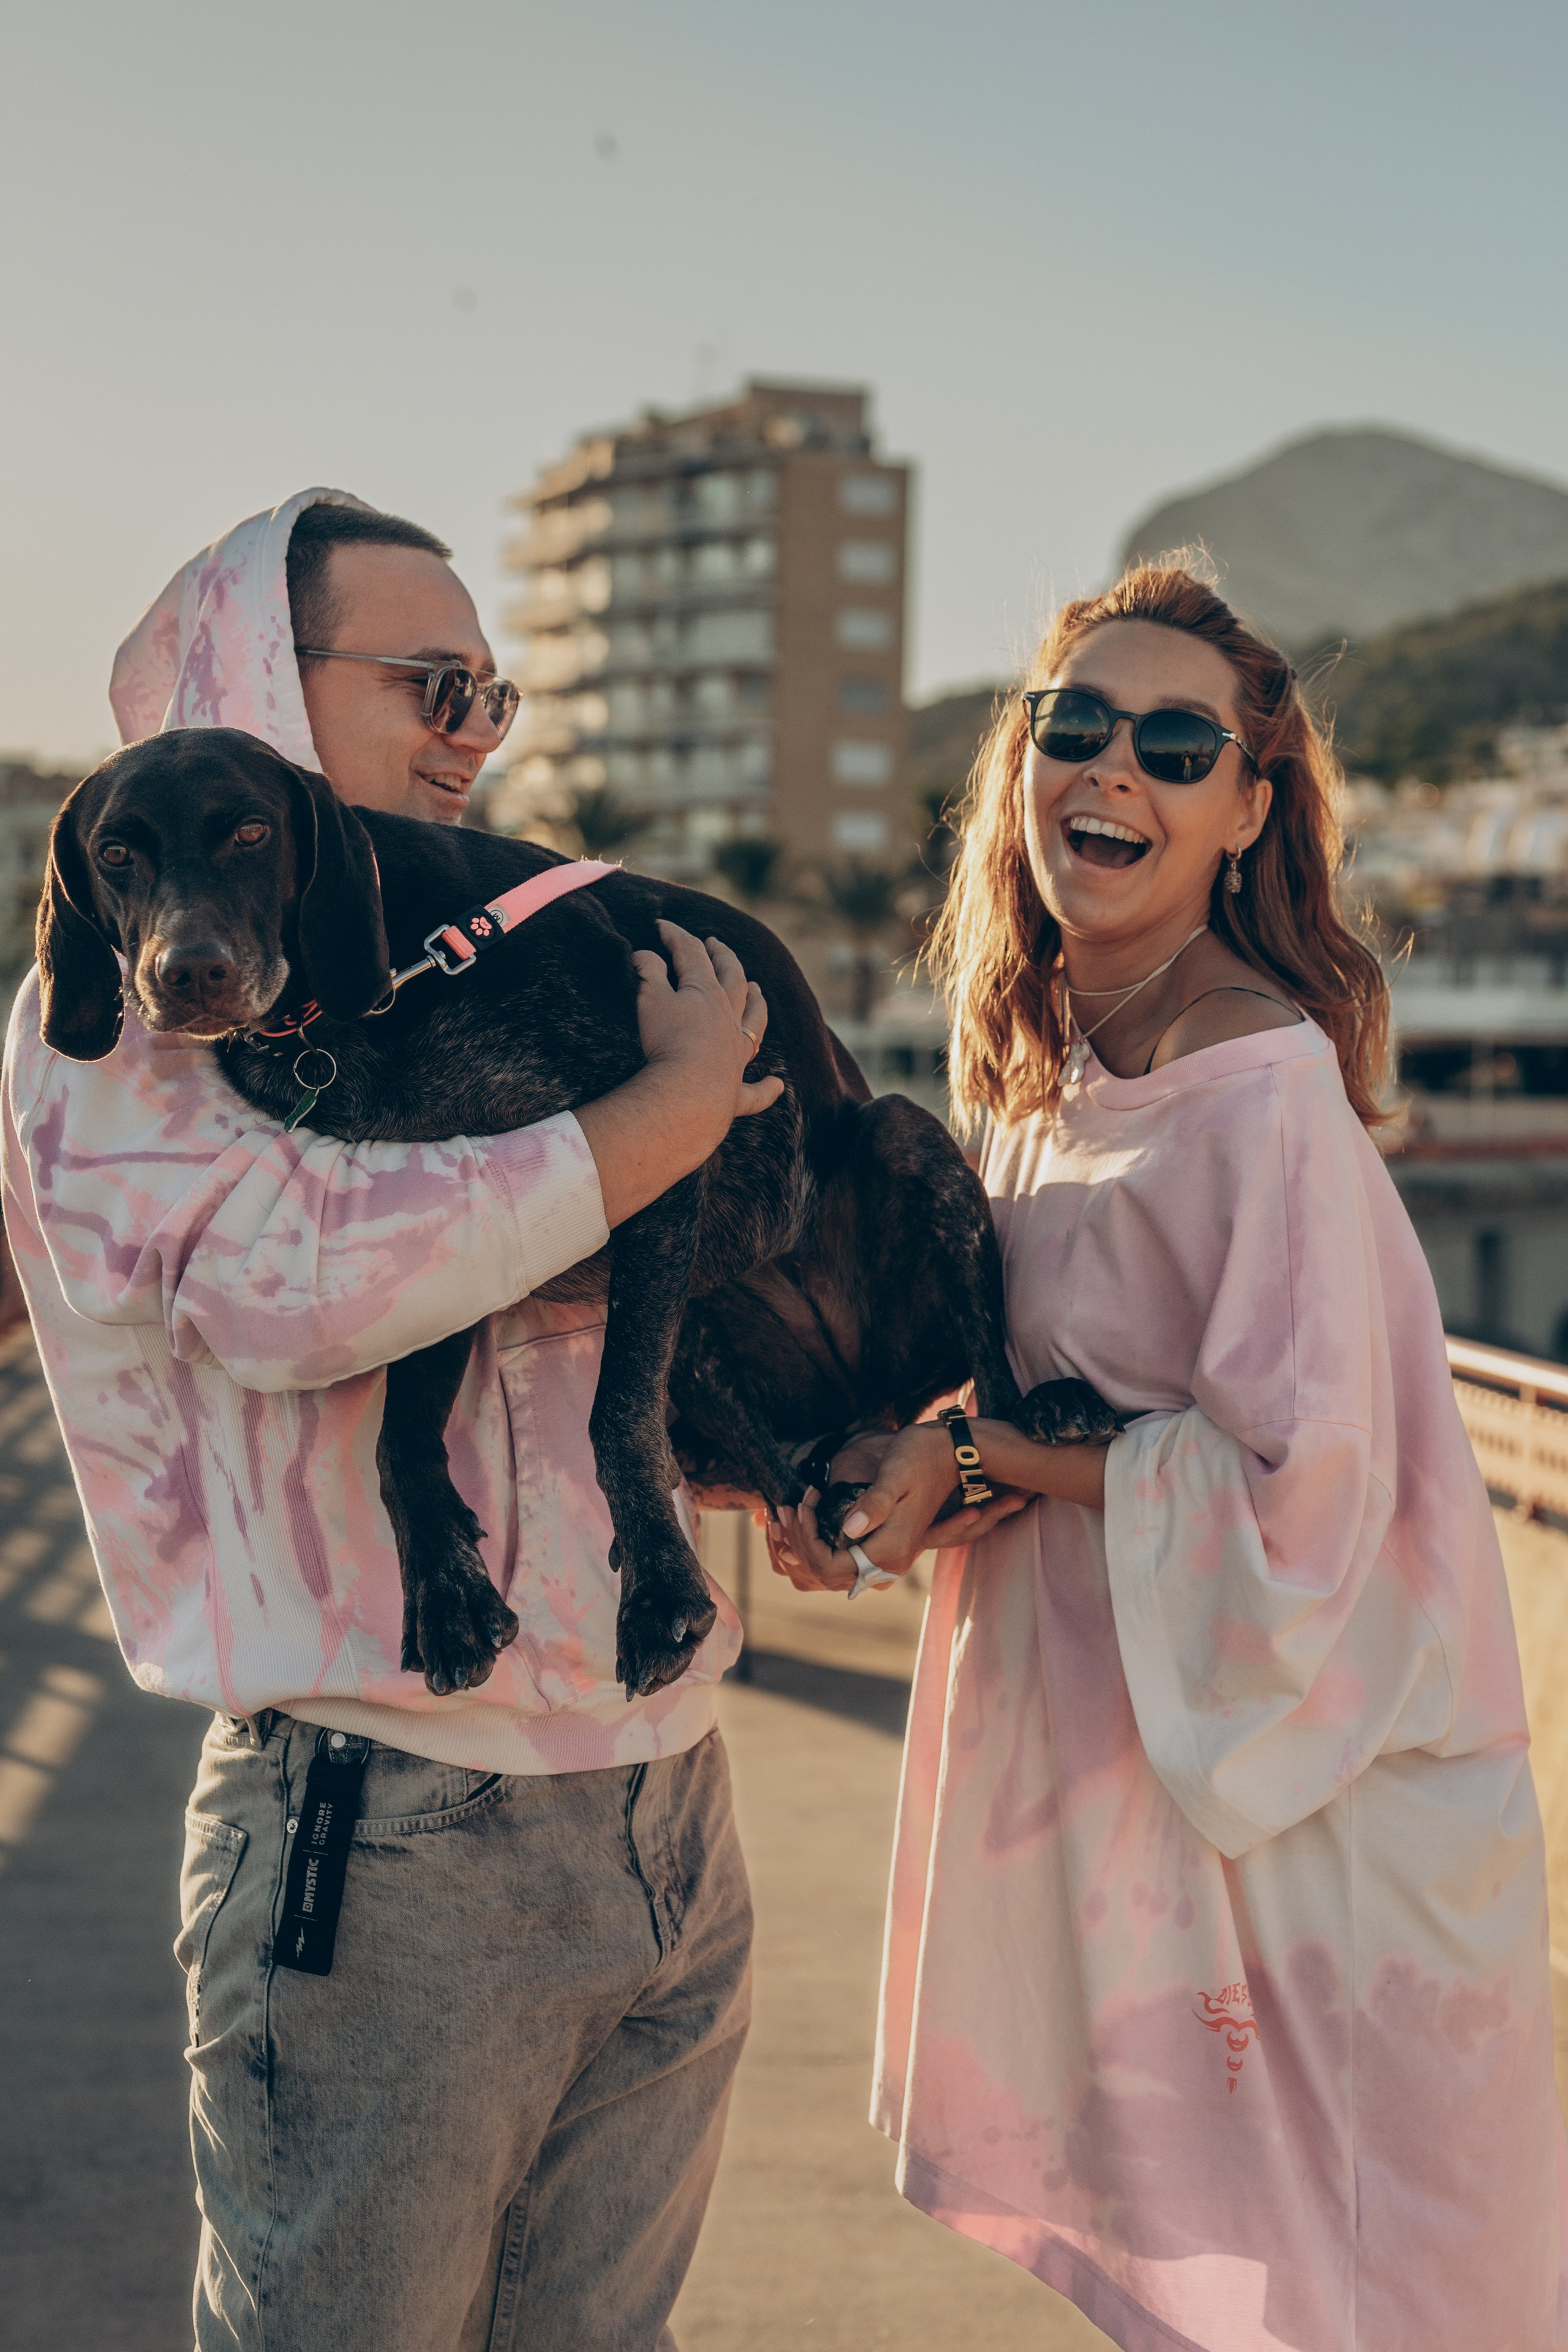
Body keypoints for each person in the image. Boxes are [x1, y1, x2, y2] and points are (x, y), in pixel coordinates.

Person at [4, 489, 784, 2350]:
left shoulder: (450, 962)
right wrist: (663, 1119)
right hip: (383, 1837)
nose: (468, 737)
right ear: (259, 685)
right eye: (430, 687)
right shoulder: (116, 1021)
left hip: (664, 1795)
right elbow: (301, 1292)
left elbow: (579, 1324)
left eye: (489, 696)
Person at [775, 565, 1567, 2351]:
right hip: (1131, 1754)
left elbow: (1306, 1478)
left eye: (1176, 743)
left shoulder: (1260, 1084)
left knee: (1332, 2286)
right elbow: (1025, 1393)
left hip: (1300, 1785)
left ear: (1245, 813)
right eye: (1074, 723)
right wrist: (901, 1475)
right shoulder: (1040, 1060)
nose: (1112, 766)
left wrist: (976, 1449)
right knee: (1194, 2268)